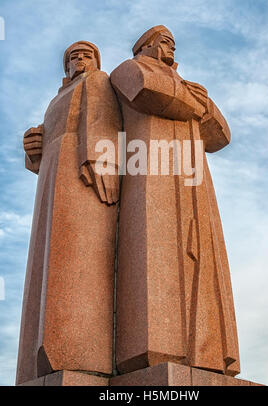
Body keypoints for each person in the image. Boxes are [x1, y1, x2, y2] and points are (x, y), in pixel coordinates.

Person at [110, 26, 240, 377]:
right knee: (158, 252)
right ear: (146, 46)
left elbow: (221, 136)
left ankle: (205, 352)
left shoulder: (190, 87)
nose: (170, 47)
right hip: (150, 169)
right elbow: (147, 91)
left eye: (172, 42)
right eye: (164, 41)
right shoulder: (129, 68)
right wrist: (196, 100)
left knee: (200, 253)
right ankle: (156, 346)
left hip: (193, 179)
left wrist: (203, 103)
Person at [16, 41, 121, 385]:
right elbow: (44, 147)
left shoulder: (97, 81)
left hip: (81, 169)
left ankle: (77, 348)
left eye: (86, 54)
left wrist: (100, 160)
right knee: (48, 259)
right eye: (73, 56)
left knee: (76, 253)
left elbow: (102, 118)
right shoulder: (55, 100)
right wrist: (35, 149)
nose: (79, 59)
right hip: (52, 176)